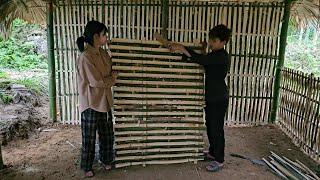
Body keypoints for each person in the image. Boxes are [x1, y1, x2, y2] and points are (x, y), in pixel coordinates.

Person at [167, 24, 231, 172]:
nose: (210, 43)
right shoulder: (214, 55)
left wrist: (182, 48)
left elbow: (200, 59)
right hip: (211, 97)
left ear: (223, 42)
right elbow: (200, 60)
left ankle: (220, 160)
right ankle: (213, 153)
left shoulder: (221, 56)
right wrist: (186, 54)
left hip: (218, 99)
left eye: (213, 41)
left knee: (217, 129)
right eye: (210, 40)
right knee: (210, 126)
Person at [76, 20, 118, 177]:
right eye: (104, 34)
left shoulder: (104, 53)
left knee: (107, 134)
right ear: (95, 36)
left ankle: (106, 160)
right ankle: (87, 166)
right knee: (89, 137)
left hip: (104, 100)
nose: (106, 37)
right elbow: (96, 81)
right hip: (91, 102)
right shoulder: (85, 57)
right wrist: (112, 80)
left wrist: (112, 75)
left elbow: (110, 70)